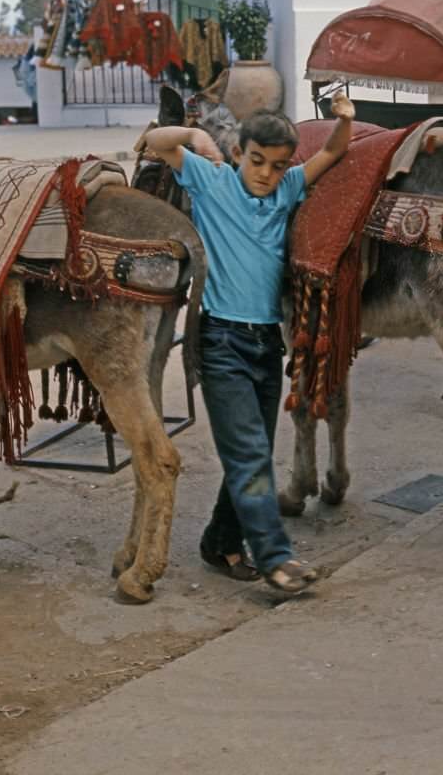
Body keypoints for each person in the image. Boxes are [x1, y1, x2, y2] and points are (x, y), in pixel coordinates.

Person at [145, 91, 354, 594]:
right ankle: (275, 558)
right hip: (220, 342)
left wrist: (345, 119)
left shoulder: (285, 192)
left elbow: (332, 153)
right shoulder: (212, 181)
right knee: (249, 456)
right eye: (257, 161)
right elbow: (154, 141)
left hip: (266, 345)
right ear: (238, 153)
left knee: (253, 450)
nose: (265, 173)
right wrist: (195, 135)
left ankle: (220, 542)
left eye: (278, 166)